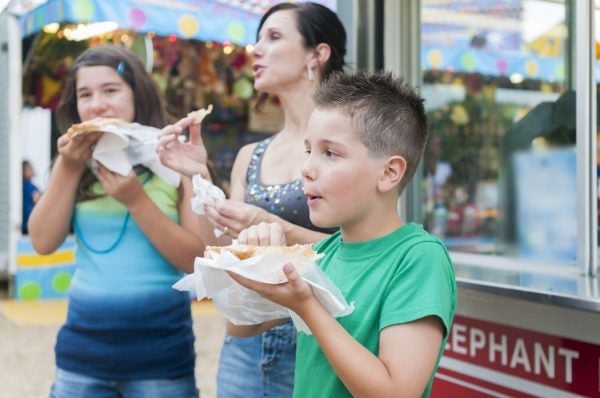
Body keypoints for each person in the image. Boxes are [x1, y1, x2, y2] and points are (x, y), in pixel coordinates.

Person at [226, 71, 457, 398]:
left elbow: (396, 392)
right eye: (308, 150)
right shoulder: (326, 252)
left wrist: (307, 307)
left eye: (330, 153)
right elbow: (240, 326)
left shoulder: (419, 258)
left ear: (389, 173)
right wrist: (255, 263)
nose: (306, 168)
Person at [157, 3, 347, 396]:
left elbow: (366, 250)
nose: (255, 49)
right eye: (257, 38)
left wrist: (275, 227)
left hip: (319, 343)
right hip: (242, 346)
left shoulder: (347, 145)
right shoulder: (251, 155)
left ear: (318, 53)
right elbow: (226, 251)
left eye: (273, 37)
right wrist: (200, 176)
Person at [28, 45, 203, 398]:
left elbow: (198, 259)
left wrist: (136, 200)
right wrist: (69, 165)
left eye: (110, 91)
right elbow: (42, 242)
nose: (97, 105)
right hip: (81, 357)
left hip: (161, 358)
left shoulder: (175, 159)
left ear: (136, 95)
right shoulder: (72, 164)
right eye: (85, 94)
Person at [22, 160, 41, 234]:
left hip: (22, 224)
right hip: (30, 224)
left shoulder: (18, 187)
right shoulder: (31, 188)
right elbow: (41, 204)